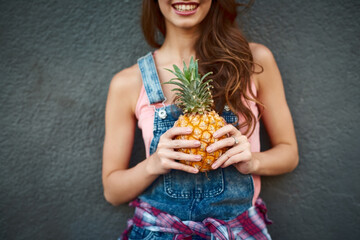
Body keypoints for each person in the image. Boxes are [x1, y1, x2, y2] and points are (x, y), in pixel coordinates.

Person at [102, 0, 298, 239]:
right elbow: (112, 191)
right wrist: (153, 165)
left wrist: (253, 162)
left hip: (235, 231)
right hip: (158, 231)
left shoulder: (253, 61)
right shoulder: (128, 82)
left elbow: (289, 153)